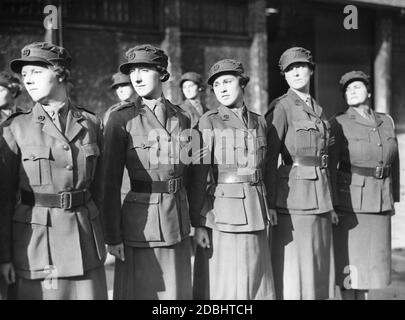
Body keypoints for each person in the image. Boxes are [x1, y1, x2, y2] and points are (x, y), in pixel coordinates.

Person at [0, 42, 107, 300]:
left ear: (59, 73)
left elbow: (101, 189)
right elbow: (3, 199)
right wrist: (4, 257)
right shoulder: (15, 128)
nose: (28, 81)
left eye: (36, 72)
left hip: (85, 243)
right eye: (24, 75)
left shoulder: (91, 123)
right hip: (36, 246)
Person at [102, 44, 193, 300]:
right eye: (133, 72)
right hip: (141, 225)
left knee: (177, 294)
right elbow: (108, 182)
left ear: (162, 73)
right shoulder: (121, 119)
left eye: (144, 69)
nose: (137, 78)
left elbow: (190, 171)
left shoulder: (182, 117)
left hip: (177, 220)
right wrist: (112, 236)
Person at [188, 58, 275, 300]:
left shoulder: (260, 121)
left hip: (257, 207)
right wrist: (199, 222)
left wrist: (271, 206)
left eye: (227, 81)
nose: (222, 89)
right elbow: (197, 176)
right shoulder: (209, 120)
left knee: (256, 278)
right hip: (223, 213)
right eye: (216, 85)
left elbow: (266, 167)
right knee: (225, 283)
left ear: (242, 83)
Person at [265, 47, 337, 300]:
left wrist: (332, 202)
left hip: (321, 195)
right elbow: (268, 158)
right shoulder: (282, 107)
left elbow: (326, 157)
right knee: (297, 266)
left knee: (318, 261)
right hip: (293, 197)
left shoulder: (318, 109)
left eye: (301, 66)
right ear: (284, 76)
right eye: (289, 69)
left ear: (311, 70)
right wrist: (269, 202)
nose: (296, 72)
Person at [329, 70, 400, 300]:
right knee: (350, 266)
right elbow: (330, 166)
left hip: (380, 202)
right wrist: (332, 204)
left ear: (369, 92)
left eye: (357, 87)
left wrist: (393, 198)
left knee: (371, 267)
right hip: (351, 204)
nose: (351, 91)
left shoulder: (386, 121)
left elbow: (394, 162)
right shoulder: (338, 123)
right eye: (347, 89)